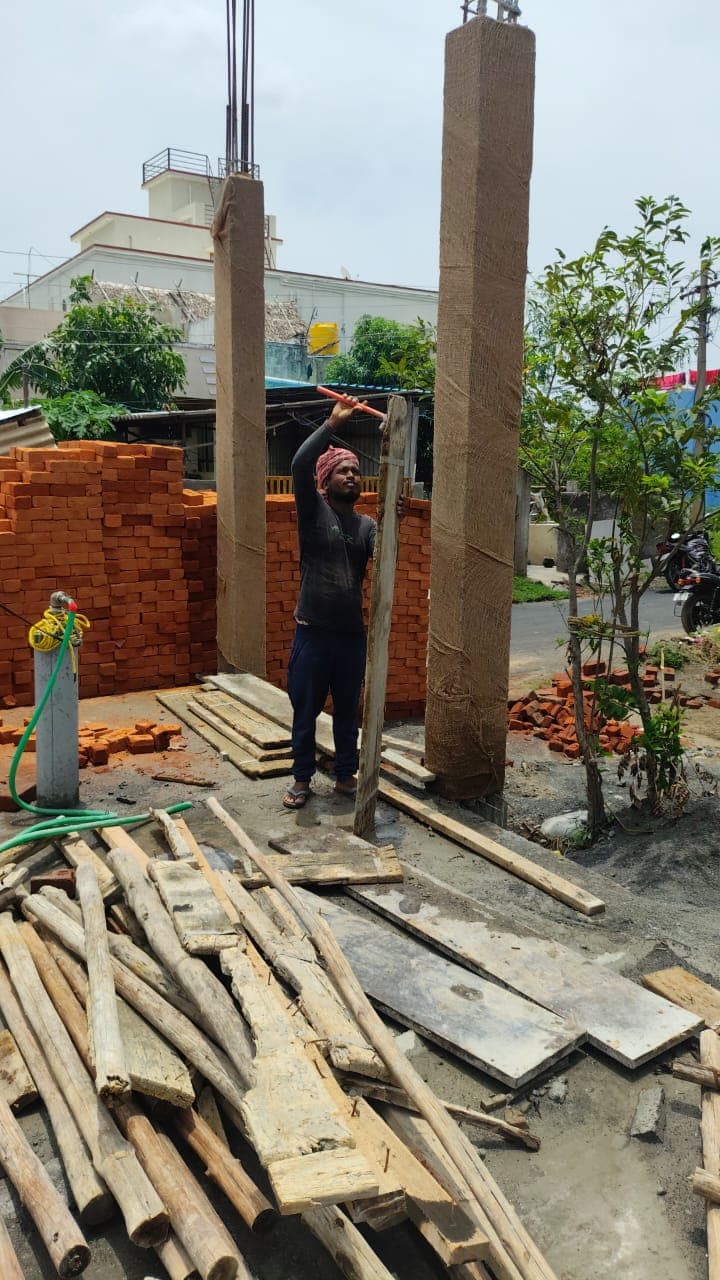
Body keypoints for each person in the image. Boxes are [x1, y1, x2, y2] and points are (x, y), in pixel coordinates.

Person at [282, 396, 379, 809]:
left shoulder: (366, 525)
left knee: (347, 711)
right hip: (313, 634)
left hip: (350, 637)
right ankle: (301, 778)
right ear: (325, 480)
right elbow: (299, 464)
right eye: (343, 470)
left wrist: (397, 521)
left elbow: (384, 555)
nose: (352, 476)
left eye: (356, 471)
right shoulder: (313, 512)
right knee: (305, 710)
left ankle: (344, 775)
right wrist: (332, 424)